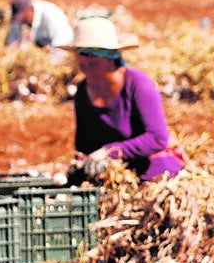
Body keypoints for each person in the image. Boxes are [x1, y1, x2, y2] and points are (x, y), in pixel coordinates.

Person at [60, 16, 183, 183]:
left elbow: (157, 137)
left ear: (109, 56)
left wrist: (110, 152)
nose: (85, 62)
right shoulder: (82, 92)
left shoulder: (138, 85)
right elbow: (84, 146)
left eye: (91, 57)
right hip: (112, 175)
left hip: (153, 175)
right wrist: (83, 163)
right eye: (81, 56)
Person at [5, 0, 74, 50]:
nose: (21, 22)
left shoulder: (52, 16)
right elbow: (11, 44)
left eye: (23, 18)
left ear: (30, 9)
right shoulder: (18, 19)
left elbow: (61, 47)